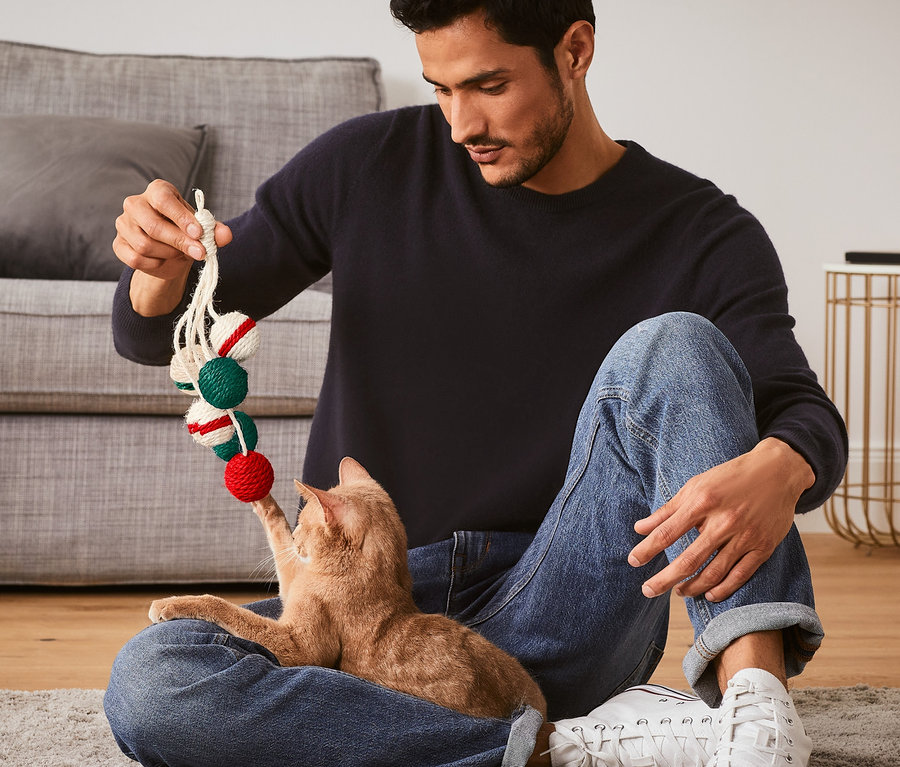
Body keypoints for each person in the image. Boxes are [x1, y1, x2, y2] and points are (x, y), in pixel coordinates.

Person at [105, 1, 847, 765]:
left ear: (575, 50)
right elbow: (152, 333)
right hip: (364, 622)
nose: (462, 124)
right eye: (441, 89)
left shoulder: (702, 230)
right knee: (153, 680)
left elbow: (801, 409)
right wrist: (157, 273)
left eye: (489, 85)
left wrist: (784, 466)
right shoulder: (364, 163)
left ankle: (757, 720)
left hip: (563, 611)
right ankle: (554, 748)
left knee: (677, 343)